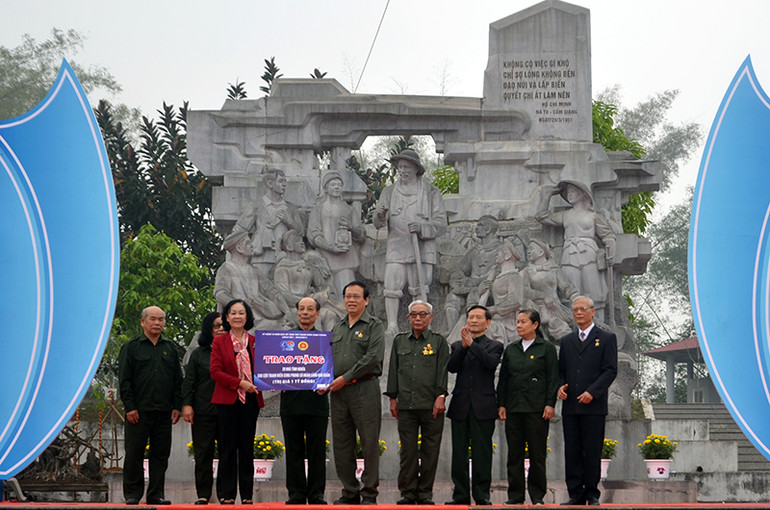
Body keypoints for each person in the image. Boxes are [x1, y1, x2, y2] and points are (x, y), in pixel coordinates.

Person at [373, 149, 447, 334]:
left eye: (407, 167)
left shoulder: (431, 192)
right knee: (391, 285)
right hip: (396, 246)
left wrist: (423, 227)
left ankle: (422, 323)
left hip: (421, 248)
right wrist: (380, 216)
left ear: (416, 168)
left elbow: (441, 223)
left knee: (419, 287)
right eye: (400, 167)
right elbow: (377, 222)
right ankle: (392, 325)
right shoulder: (389, 192)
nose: (403, 170)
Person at [385, 300, 450, 505]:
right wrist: (393, 399)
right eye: (414, 314)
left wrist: (441, 397)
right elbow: (393, 371)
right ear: (408, 318)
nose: (418, 318)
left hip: (432, 405)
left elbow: (442, 371)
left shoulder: (438, 341)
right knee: (408, 451)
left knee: (430, 451)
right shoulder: (399, 341)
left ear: (431, 318)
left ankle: (425, 494)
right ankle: (408, 492)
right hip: (406, 405)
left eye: (423, 314)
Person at [326, 281, 385, 505]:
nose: (351, 300)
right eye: (348, 296)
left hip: (364, 388)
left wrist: (345, 378)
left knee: (369, 442)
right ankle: (349, 491)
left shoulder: (374, 325)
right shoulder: (338, 327)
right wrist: (323, 380)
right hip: (338, 393)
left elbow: (372, 358)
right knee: (342, 443)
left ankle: (369, 492)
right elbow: (326, 359)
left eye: (356, 296)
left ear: (366, 300)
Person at [118, 306, 183, 505]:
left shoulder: (170, 348)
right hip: (138, 411)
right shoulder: (132, 347)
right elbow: (125, 380)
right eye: (153, 319)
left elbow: (177, 380)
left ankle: (156, 495)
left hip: (163, 411)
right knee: (134, 454)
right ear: (143, 322)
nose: (157, 323)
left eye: (161, 319)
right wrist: (130, 407)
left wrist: (177, 406)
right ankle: (132, 494)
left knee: (160, 456)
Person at [557, 296, 618, 506]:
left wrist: (593, 392)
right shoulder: (567, 341)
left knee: (592, 450)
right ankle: (575, 493)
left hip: (594, 406)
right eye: (575, 310)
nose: (579, 313)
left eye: (583, 309)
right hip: (571, 406)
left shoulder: (607, 338)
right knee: (572, 450)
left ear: (593, 312)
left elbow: (610, 370)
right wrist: (560, 386)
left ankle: (592, 493)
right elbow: (561, 372)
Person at [497, 309, 558, 505]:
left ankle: (537, 495)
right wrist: (502, 404)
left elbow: (552, 379)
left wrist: (550, 403)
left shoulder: (546, 348)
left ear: (535, 324)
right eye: (518, 322)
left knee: (537, 454)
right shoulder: (512, 348)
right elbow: (504, 379)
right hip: (514, 408)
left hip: (537, 409)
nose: (519, 325)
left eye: (523, 322)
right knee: (514, 454)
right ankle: (515, 495)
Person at [446, 305, 503, 506]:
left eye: (478, 318)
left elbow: (490, 364)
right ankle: (460, 495)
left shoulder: (495, 345)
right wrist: (464, 346)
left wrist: (473, 345)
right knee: (459, 453)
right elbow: (452, 367)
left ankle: (482, 494)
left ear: (487, 323)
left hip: (484, 406)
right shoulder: (456, 345)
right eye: (470, 317)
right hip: (460, 405)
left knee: (482, 453)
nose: (473, 321)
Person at [210, 299, 265, 505]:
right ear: (226, 317)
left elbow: (266, 368)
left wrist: (271, 381)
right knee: (227, 448)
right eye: (233, 313)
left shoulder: (256, 341)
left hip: (250, 401)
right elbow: (215, 372)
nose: (237, 316)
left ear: (247, 317)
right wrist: (240, 383)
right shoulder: (219, 342)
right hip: (227, 400)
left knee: (246, 448)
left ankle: (248, 495)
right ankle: (227, 494)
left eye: (241, 313)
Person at [536, 182, 616, 321]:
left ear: (583, 193)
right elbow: (541, 216)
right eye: (567, 192)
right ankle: (574, 330)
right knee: (571, 294)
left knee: (595, 293)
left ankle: (599, 326)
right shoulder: (565, 215)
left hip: (589, 254)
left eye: (573, 190)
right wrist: (548, 195)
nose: (569, 194)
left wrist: (610, 251)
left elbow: (608, 236)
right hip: (570, 254)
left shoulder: (593, 216)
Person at [280, 297, 330, 505]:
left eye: (310, 309)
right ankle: (296, 493)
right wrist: (269, 379)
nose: (305, 313)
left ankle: (316, 493)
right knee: (293, 450)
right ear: (297, 313)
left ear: (317, 314)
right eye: (302, 309)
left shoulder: (326, 340)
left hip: (317, 403)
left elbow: (329, 369)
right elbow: (274, 367)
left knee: (317, 450)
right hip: (291, 404)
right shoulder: (284, 340)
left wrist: (327, 383)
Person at [225, 168, 304, 275]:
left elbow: (301, 232)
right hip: (262, 256)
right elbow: (240, 229)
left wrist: (288, 221)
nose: (284, 185)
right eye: (280, 181)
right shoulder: (256, 205)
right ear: (270, 183)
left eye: (285, 182)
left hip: (286, 258)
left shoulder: (290, 208)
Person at [182, 312, 224, 505]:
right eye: (216, 326)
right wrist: (187, 405)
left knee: (227, 454)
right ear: (209, 329)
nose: (221, 329)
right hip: (203, 411)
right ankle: (203, 494)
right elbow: (189, 382)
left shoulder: (234, 351)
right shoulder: (198, 354)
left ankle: (226, 495)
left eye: (224, 326)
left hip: (227, 411)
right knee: (203, 454)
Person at [307, 171, 366, 297]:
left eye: (339, 185)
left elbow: (361, 235)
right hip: (324, 261)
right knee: (329, 298)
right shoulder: (318, 209)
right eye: (333, 184)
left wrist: (351, 228)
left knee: (348, 295)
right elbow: (313, 234)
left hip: (345, 261)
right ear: (326, 188)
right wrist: (330, 247)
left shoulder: (349, 209)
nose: (337, 187)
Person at [445, 215, 502, 332]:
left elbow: (499, 273)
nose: (476, 228)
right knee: (452, 298)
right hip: (470, 288)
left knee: (475, 293)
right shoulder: (474, 252)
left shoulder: (500, 250)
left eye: (480, 225)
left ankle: (474, 332)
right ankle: (452, 333)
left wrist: (475, 282)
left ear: (488, 229)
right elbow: (460, 269)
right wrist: (457, 280)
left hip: (491, 291)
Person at [520, 238, 578, 341]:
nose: (528, 252)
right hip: (535, 307)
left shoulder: (554, 269)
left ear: (541, 252)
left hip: (553, 307)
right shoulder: (527, 271)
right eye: (528, 249)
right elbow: (525, 292)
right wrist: (544, 296)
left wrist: (577, 300)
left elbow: (567, 287)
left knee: (557, 325)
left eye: (532, 249)